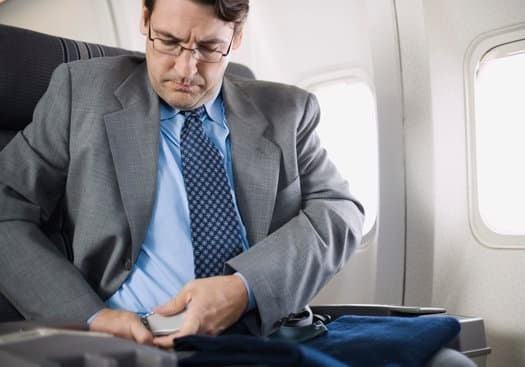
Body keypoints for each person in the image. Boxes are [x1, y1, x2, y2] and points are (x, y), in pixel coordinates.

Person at [0, 0, 364, 348]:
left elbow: (340, 210)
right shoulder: (80, 93)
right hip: (131, 341)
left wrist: (244, 288)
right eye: (169, 41)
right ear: (145, 18)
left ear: (236, 36)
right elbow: (6, 205)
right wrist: (91, 319)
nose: (186, 70)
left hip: (262, 338)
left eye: (209, 48)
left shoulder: (288, 111)